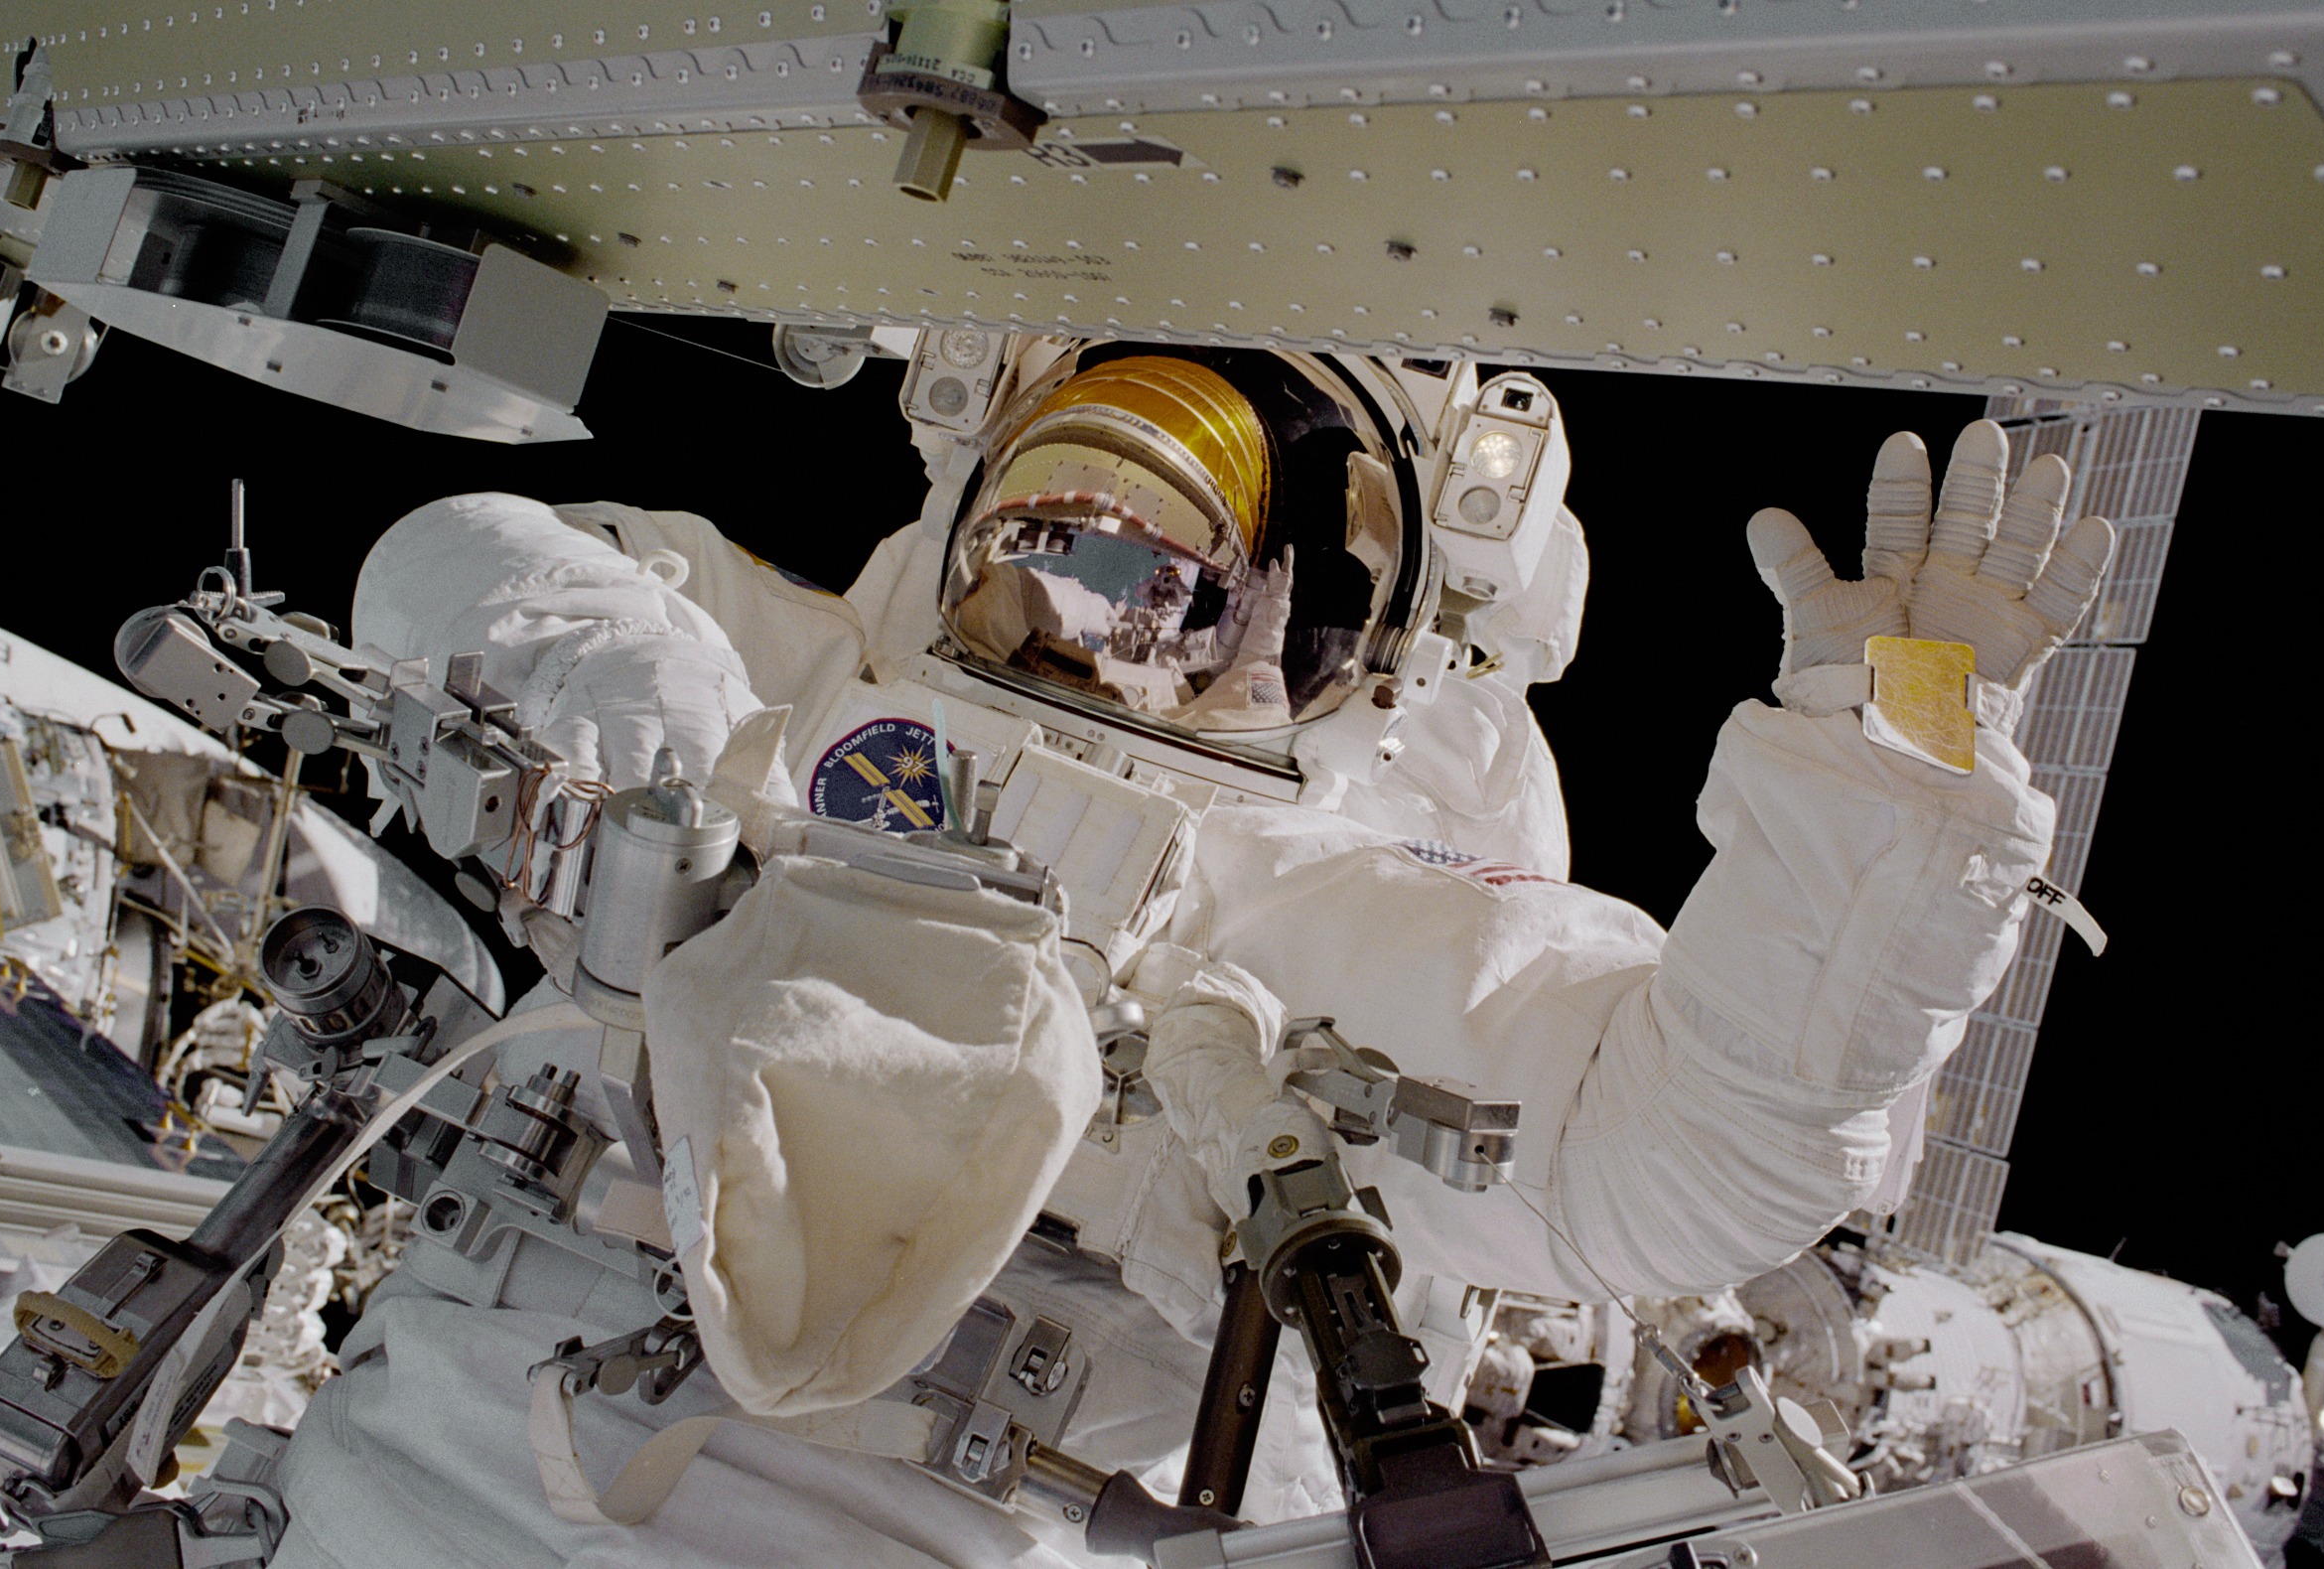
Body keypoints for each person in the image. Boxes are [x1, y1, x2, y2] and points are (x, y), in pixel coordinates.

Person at [267, 341, 2112, 1568]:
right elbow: (461, 553)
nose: (1083, 627)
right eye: (1047, 552)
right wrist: (701, 759)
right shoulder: (821, 692)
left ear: (1326, 626)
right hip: (457, 1464)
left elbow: (1705, 1151)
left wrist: (1904, 740)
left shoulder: (1332, 915)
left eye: (1159, 588)